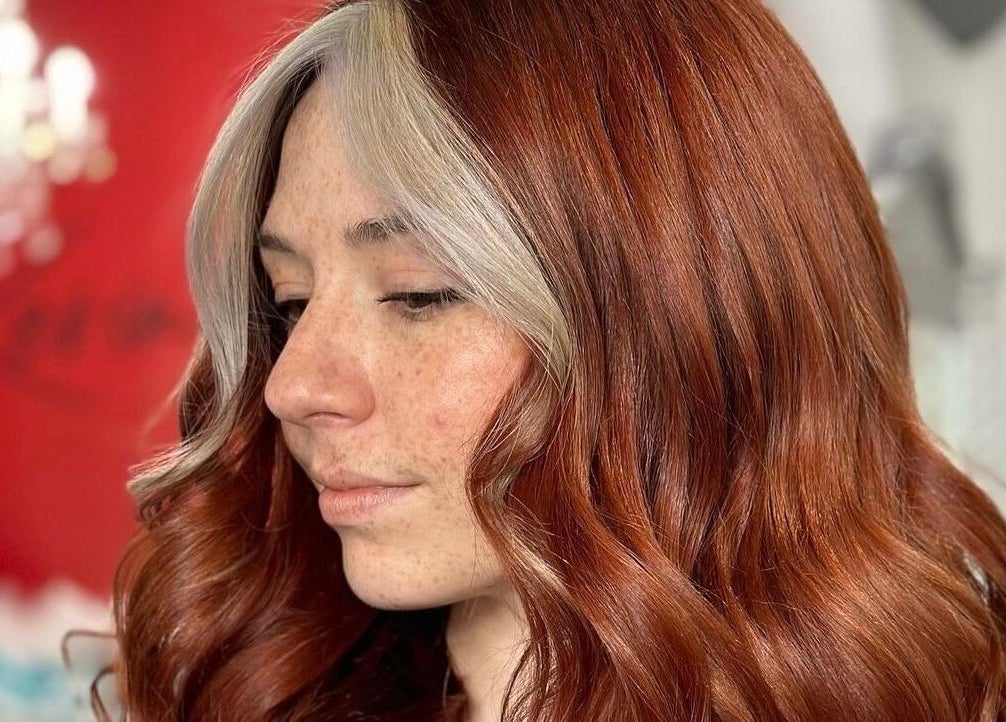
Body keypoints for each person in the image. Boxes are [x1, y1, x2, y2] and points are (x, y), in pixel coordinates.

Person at [93, 0, 1006, 719]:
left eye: (418, 293)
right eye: (290, 300)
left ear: (687, 316)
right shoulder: (262, 686)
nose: (293, 386)